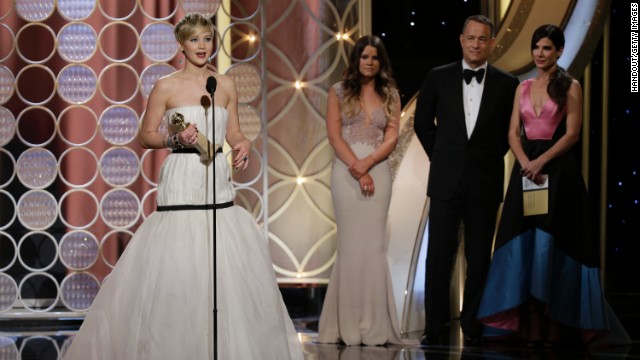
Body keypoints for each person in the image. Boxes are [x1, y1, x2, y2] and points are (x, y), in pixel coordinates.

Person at [63, 13, 303, 360]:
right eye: (195, 40)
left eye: (207, 39)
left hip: (216, 179)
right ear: (181, 46)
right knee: (180, 261)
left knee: (220, 262)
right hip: (182, 178)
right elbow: (146, 136)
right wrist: (175, 138)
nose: (202, 46)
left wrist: (243, 143)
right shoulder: (167, 86)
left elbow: (233, 131)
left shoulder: (225, 85)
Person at [477, 24, 630, 348]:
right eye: (537, 48)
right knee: (525, 241)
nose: (540, 54)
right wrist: (524, 162)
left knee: (555, 243)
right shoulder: (522, 87)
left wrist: (540, 162)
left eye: (547, 48)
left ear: (559, 51)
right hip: (527, 172)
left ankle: (555, 320)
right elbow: (512, 133)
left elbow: (572, 134)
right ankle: (530, 318)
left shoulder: (570, 86)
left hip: (558, 173)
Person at [413, 15, 519, 346]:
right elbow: (421, 123)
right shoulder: (438, 76)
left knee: (479, 257)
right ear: (461, 40)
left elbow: (508, 133)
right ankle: (435, 325)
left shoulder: (507, 84)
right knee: (439, 256)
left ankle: (473, 324)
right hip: (446, 179)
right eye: (471, 38)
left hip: (484, 181)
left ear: (491, 43)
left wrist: (483, 158)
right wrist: (444, 156)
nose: (476, 44)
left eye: (482, 39)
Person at [316, 35, 412, 346]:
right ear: (356, 60)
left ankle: (375, 326)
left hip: (378, 172)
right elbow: (334, 134)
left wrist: (368, 164)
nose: (369, 62)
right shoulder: (338, 92)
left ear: (381, 62)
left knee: (373, 248)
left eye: (374, 57)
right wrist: (356, 167)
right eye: (364, 57)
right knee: (350, 247)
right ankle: (345, 326)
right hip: (345, 174)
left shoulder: (391, 95)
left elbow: (392, 137)